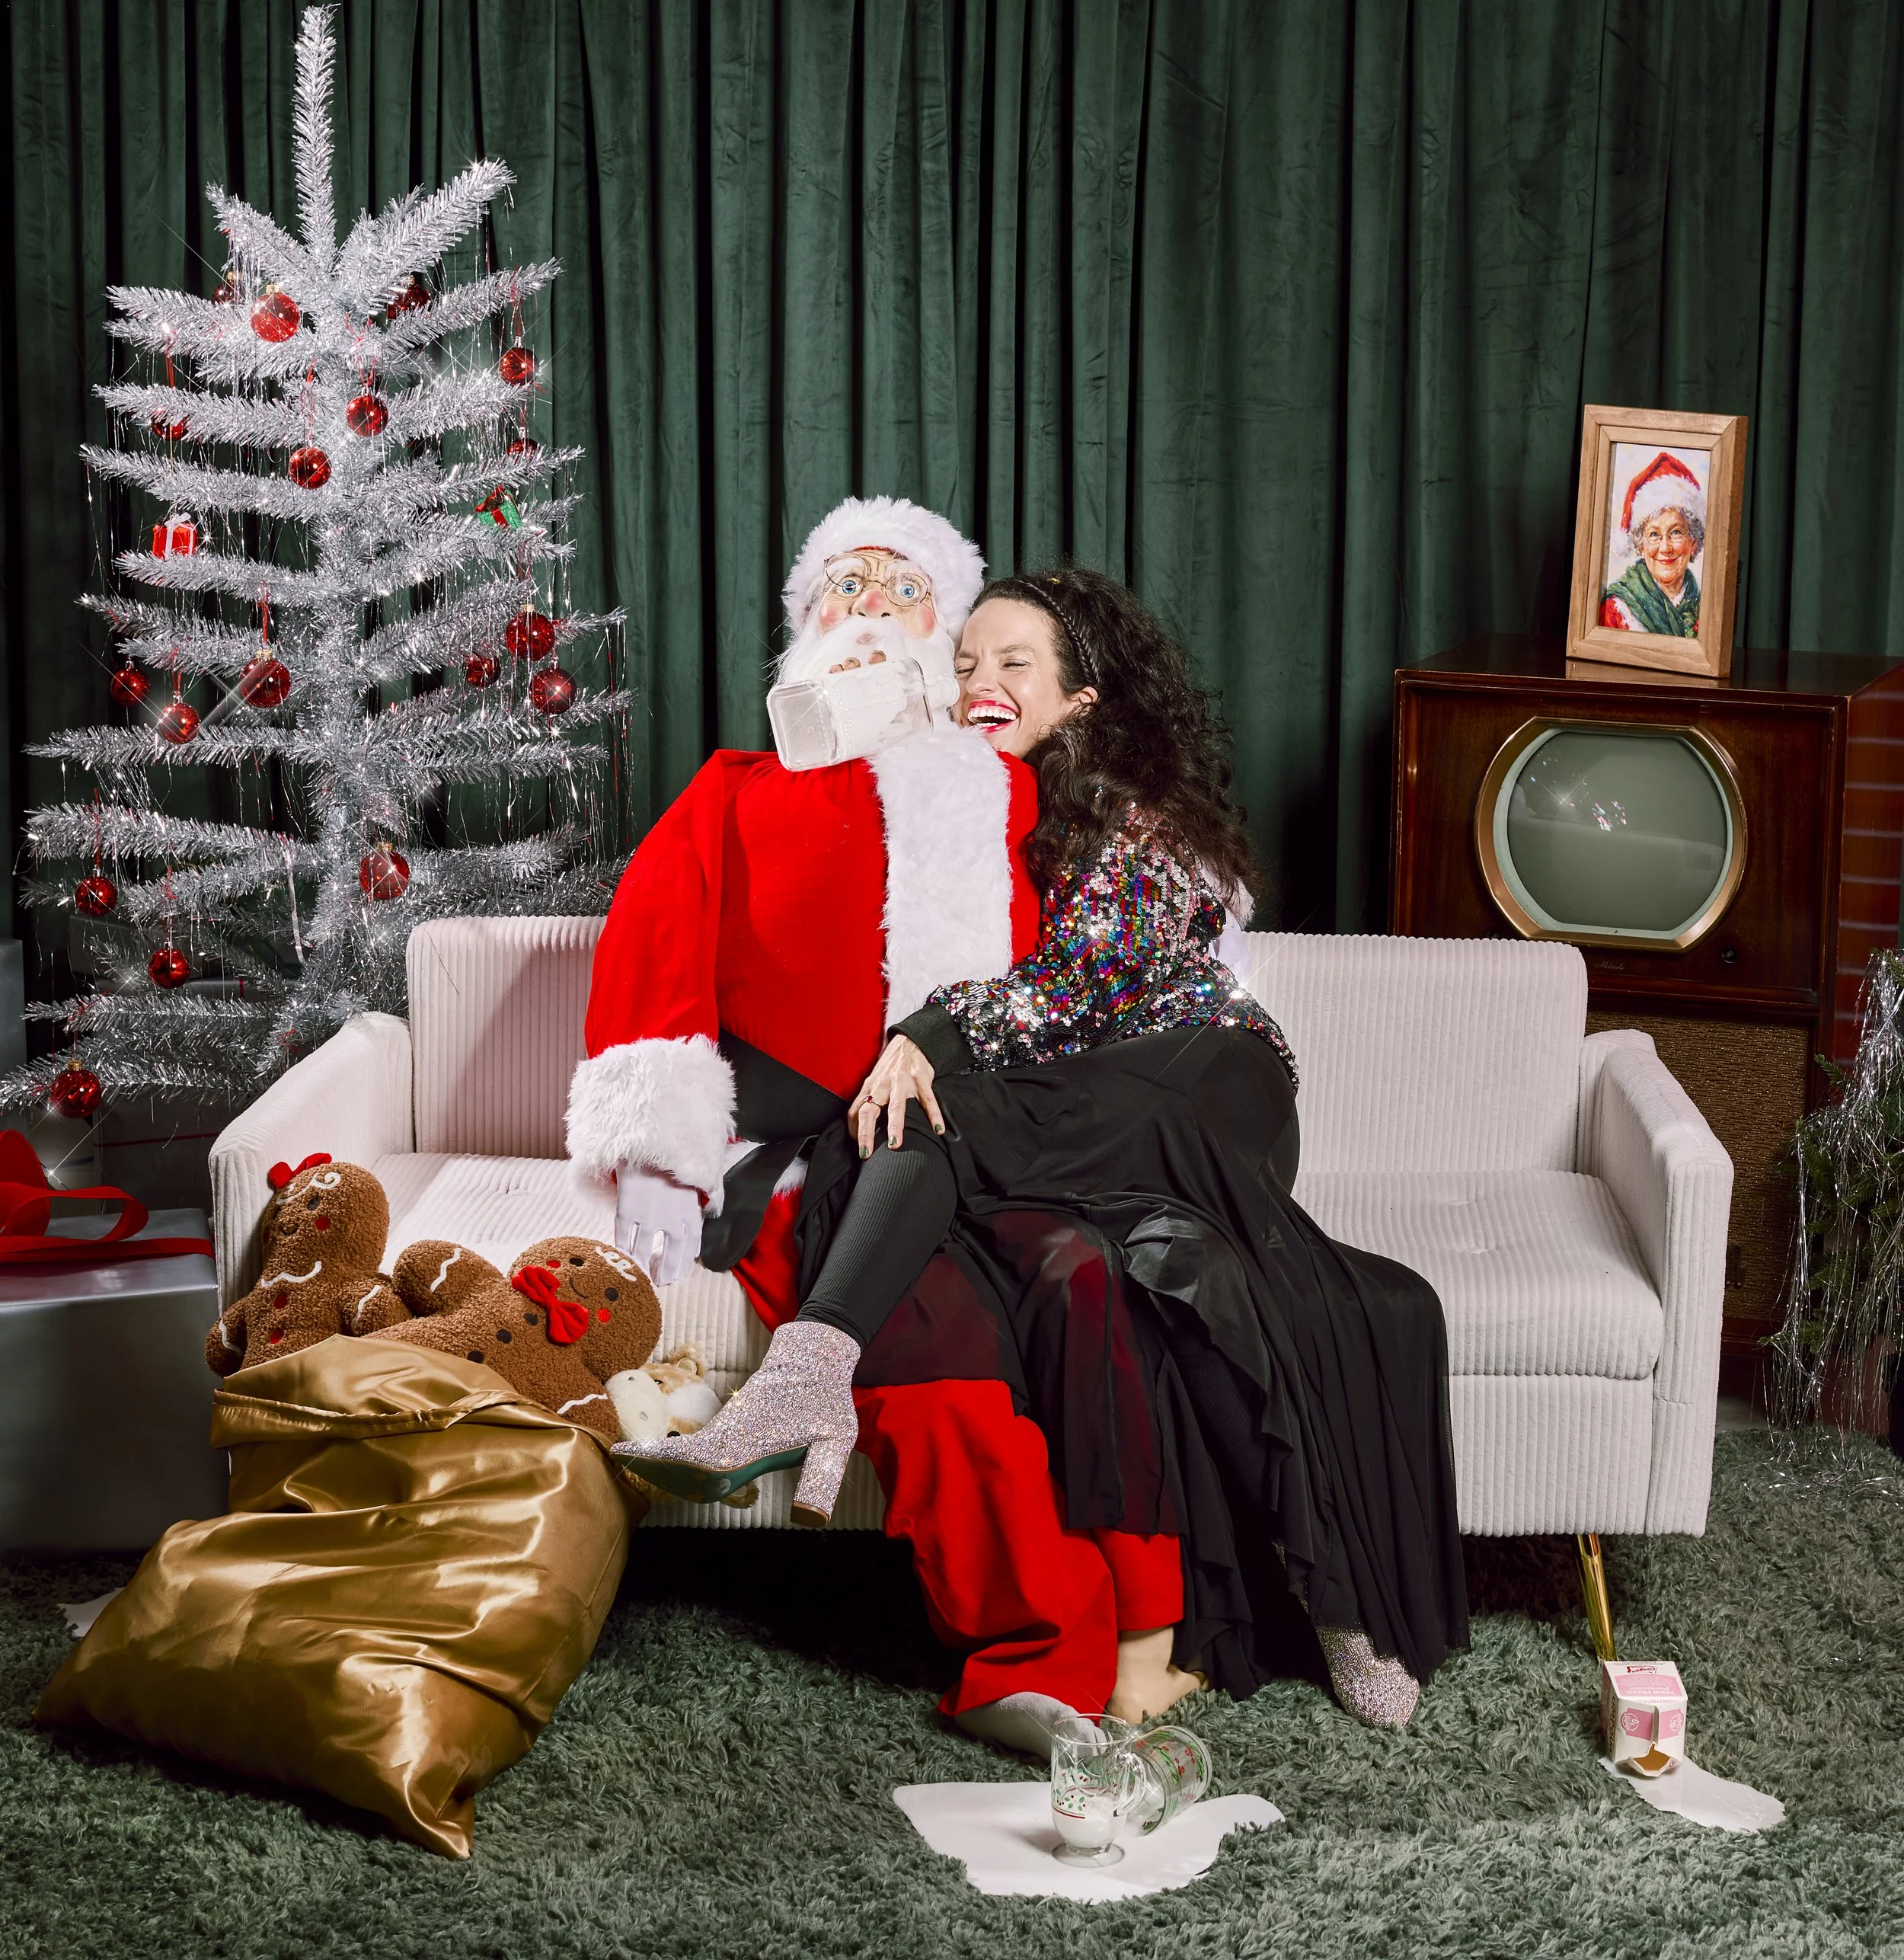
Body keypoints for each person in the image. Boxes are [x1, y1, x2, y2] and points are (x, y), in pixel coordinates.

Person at [624, 566, 1470, 1735]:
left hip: (1205, 1077)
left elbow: (1077, 984)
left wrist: (926, 1036)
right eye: (966, 661)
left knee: (939, 1110)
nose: (981, 680)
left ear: (1082, 697)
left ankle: (803, 1378)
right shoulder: (986, 810)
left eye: (1015, 662)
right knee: (1168, 1284)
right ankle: (1335, 1604)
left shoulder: (1131, 804)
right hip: (1082, 1115)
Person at [571, 500, 1200, 1757]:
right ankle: (1031, 1655)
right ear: (804, 628)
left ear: (943, 632)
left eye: (897, 588)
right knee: (936, 1342)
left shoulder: (1021, 798)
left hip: (976, 1141)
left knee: (1056, 1297)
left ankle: (1109, 1644)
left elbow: (1096, 968)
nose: (863, 603)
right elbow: (654, 940)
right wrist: (656, 1138)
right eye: (839, 587)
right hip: (808, 1148)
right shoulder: (738, 789)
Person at [1600, 451, 1705, 635]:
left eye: (1676, 532)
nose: (1665, 548)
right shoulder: (1616, 610)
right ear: (1641, 546)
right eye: (1654, 535)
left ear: (1694, 542)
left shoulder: (1707, 607)